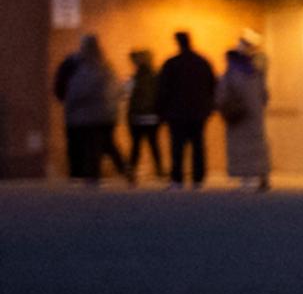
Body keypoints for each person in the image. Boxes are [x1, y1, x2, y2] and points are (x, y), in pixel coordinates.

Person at [50, 34, 119, 185]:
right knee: (98, 145)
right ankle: (94, 174)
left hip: (77, 113)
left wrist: (65, 99)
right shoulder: (105, 65)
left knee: (76, 143)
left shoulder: (72, 62)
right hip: (101, 114)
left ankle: (77, 174)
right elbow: (113, 89)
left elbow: (61, 84)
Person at [157, 30, 217, 188]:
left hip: (176, 113)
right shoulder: (202, 62)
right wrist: (210, 107)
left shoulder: (171, 64)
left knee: (177, 147)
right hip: (198, 112)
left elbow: (163, 90)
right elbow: (213, 85)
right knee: (198, 145)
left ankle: (177, 178)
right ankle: (198, 178)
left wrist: (161, 112)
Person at [217, 35, 272, 191]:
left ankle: (245, 178)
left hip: (237, 116)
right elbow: (264, 95)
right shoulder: (256, 72)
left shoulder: (230, 73)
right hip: (254, 115)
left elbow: (222, 93)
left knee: (239, 146)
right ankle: (258, 175)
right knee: (256, 144)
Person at [122, 49, 163, 184]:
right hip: (152, 116)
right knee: (153, 144)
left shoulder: (134, 78)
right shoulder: (156, 77)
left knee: (136, 146)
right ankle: (159, 170)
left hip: (137, 116)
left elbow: (126, 93)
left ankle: (131, 172)